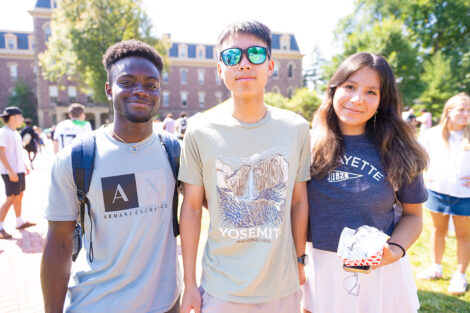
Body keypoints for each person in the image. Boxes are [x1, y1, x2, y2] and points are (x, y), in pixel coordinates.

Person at [179, 20, 310, 313]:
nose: (245, 64)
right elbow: (190, 208)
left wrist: (300, 260)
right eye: (232, 56)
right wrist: (189, 282)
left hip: (281, 285)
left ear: (271, 65)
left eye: (256, 54)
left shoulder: (296, 128)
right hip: (221, 286)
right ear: (220, 68)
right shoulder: (200, 129)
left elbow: (299, 202)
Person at [41, 40, 181, 312]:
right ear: (109, 89)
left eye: (151, 85)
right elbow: (58, 243)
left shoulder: (176, 152)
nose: (140, 91)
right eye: (127, 82)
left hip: (166, 304)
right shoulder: (77, 158)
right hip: (98, 303)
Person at [303, 52, 428, 313]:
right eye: (350, 87)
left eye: (372, 92)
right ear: (334, 89)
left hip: (380, 273)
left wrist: (393, 250)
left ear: (383, 100)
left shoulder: (399, 149)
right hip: (319, 268)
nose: (358, 99)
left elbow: (413, 216)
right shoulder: (305, 145)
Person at [417, 92, 470, 295]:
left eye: (469, 111)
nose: (466, 114)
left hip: (465, 195)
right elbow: (419, 158)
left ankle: (460, 275)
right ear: (449, 111)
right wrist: (425, 174)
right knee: (438, 231)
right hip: (437, 192)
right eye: (461, 110)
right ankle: (436, 267)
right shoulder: (432, 134)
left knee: (464, 235)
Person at [0, 106, 35, 239]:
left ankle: (19, 221)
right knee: (11, 198)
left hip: (18, 170)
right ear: (13, 117)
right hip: (10, 172)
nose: (22, 119)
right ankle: (0, 226)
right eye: (20, 117)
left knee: (19, 195)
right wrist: (10, 171)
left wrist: (24, 166)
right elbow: (1, 153)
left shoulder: (15, 132)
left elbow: (17, 153)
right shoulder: (4, 132)